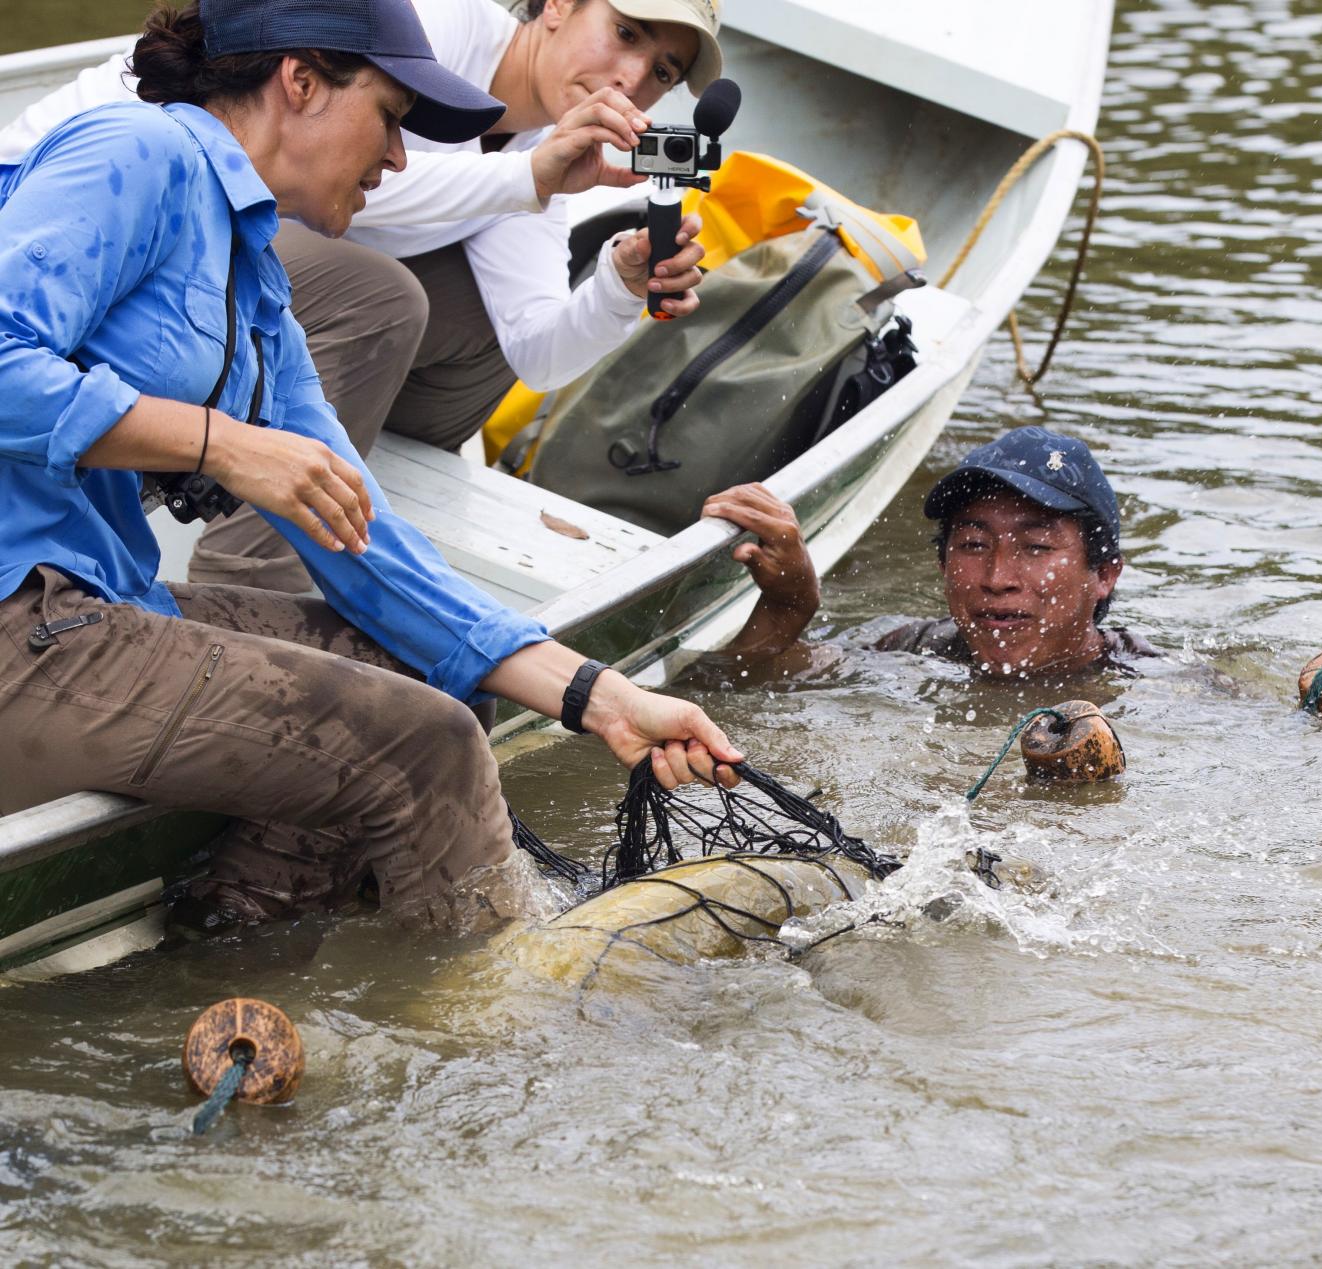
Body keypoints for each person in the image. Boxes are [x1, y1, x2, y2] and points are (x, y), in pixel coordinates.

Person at [0, 0, 741, 937]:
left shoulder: (257, 284)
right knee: (425, 750)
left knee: (415, 672)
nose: (397, 161)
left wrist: (603, 696)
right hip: (19, 622)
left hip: (94, 606)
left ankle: (232, 939)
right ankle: (496, 1026)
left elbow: (369, 544)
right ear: (299, 83)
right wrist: (219, 443)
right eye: (391, 119)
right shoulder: (136, 153)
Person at [0, 0, 724, 592]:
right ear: (559, 4)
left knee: (476, 324)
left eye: (662, 71)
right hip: (48, 200)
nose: (631, 76)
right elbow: (308, 171)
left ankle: (348, 497)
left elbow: (534, 353)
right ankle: (245, 584)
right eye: (625, 33)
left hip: (233, 245)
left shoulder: (527, 149)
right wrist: (530, 178)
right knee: (382, 295)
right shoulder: (427, 20)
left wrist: (617, 286)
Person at [706, 427, 1157, 678]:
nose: (997, 578)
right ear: (942, 564)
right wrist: (789, 604)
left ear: (1104, 574)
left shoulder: (1156, 687)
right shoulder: (911, 651)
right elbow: (733, 684)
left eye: (1036, 546)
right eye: (974, 545)